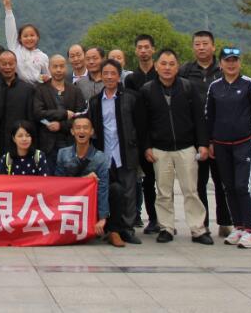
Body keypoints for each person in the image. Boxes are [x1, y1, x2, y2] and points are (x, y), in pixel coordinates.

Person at [139, 49, 212, 244]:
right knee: (163, 192)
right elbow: (143, 123)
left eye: (171, 64)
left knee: (191, 190)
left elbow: (199, 118)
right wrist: (146, 147)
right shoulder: (147, 90)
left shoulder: (187, 87)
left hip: (186, 147)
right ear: (156, 66)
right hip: (160, 149)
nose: (167, 68)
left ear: (177, 66)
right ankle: (166, 228)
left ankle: (198, 229)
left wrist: (203, 144)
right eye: (163, 64)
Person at [205, 46, 251, 249]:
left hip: (243, 143)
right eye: (227, 61)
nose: (231, 64)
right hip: (221, 145)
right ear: (220, 64)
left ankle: (249, 230)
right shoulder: (214, 87)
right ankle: (238, 226)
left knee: (242, 186)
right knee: (228, 187)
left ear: (239, 63)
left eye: (234, 60)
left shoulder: (249, 84)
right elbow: (209, 115)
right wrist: (210, 141)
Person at [179, 30, 232, 238]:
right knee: (198, 183)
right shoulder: (185, 71)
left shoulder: (223, 69)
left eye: (205, 43)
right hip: (195, 137)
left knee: (222, 181)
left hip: (221, 135)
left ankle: (225, 221)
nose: (201, 47)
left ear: (213, 46)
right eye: (197, 44)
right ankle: (203, 223)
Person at [88, 59, 143, 246]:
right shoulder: (95, 101)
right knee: (106, 191)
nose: (109, 77)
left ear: (119, 76)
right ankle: (109, 228)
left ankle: (126, 229)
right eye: (106, 73)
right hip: (104, 153)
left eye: (113, 73)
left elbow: (140, 126)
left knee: (129, 192)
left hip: (125, 151)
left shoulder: (131, 97)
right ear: (101, 76)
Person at [54, 116, 110, 241]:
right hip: (69, 203)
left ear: (92, 131)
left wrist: (102, 218)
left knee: (116, 189)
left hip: (90, 205)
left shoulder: (101, 158)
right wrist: (85, 180)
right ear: (72, 131)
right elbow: (58, 185)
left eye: (85, 128)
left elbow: (103, 188)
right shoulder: (63, 154)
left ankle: (113, 231)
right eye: (78, 128)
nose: (82, 131)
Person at [125, 34, 159, 234]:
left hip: (160, 134)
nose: (144, 51)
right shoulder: (131, 79)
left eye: (147, 47)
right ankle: (152, 218)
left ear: (153, 49)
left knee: (163, 182)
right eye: (140, 47)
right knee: (146, 181)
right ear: (136, 50)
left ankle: (165, 220)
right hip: (139, 135)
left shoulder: (161, 73)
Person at [33, 54, 86, 168]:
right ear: (49, 68)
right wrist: (64, 113)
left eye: (61, 66)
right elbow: (37, 113)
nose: (58, 70)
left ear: (66, 67)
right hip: (47, 144)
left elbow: (81, 116)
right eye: (55, 66)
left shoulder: (75, 90)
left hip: (70, 143)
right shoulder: (40, 89)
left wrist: (61, 125)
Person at [1, 0, 49, 82]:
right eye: (25, 36)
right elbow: (10, 30)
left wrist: (44, 78)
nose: (29, 38)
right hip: (17, 88)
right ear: (20, 39)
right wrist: (8, 7)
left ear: (37, 37)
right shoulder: (15, 49)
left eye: (32, 35)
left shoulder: (43, 56)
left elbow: (47, 77)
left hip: (36, 89)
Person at [0, 49, 34, 156]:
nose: (7, 67)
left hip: (21, 145)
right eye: (4, 64)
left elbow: (31, 119)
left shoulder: (27, 89)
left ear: (16, 64)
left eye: (11, 64)